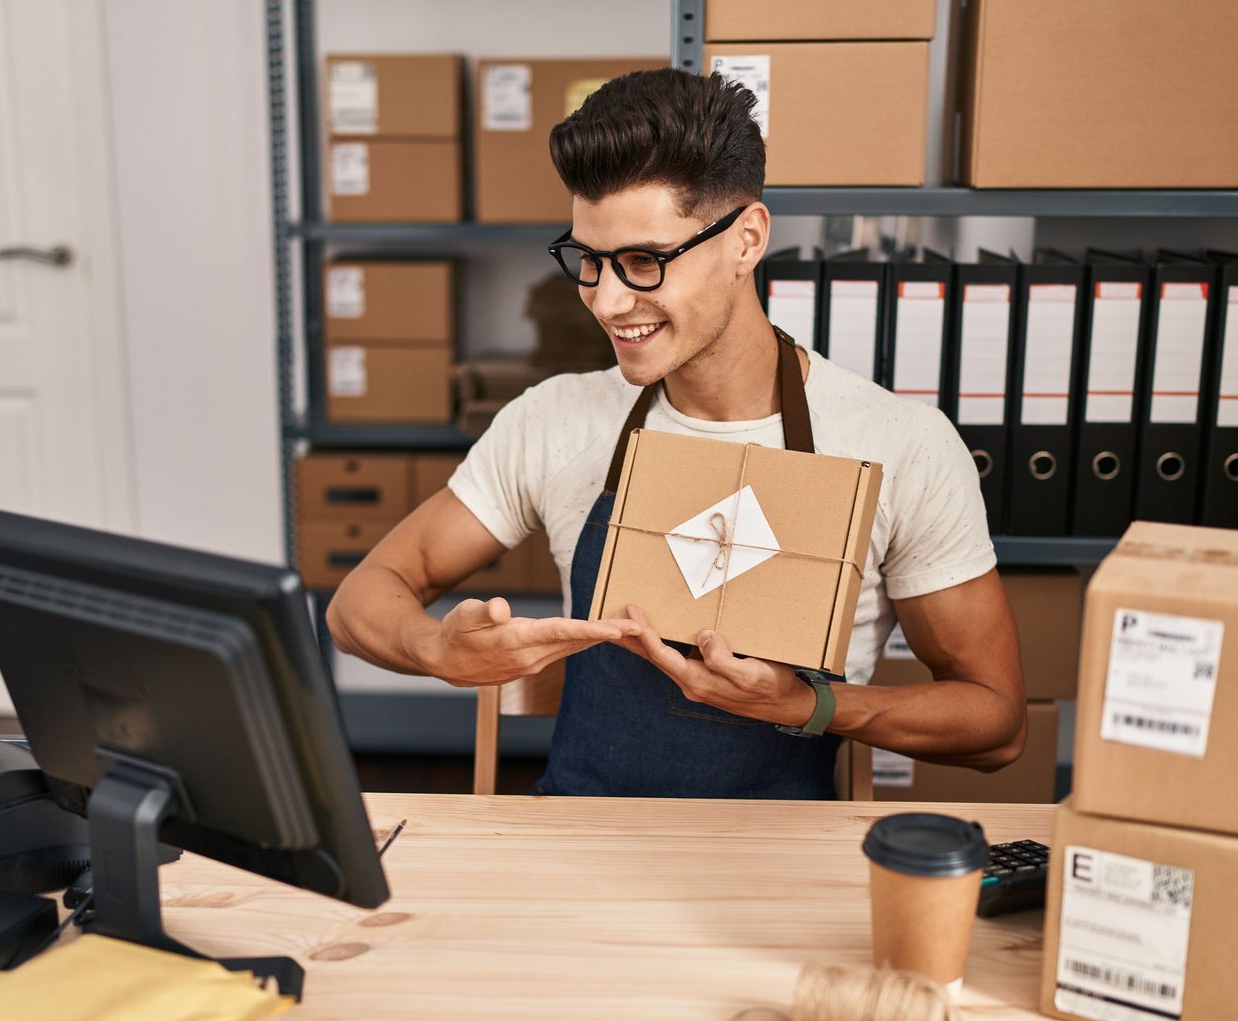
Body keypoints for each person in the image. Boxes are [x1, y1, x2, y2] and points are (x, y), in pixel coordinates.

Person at [326, 68, 1024, 799]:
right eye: (588, 261)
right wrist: (437, 647)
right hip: (580, 843)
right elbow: (358, 602)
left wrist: (808, 705)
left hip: (776, 866)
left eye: (643, 262)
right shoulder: (554, 420)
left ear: (746, 240)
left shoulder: (900, 444)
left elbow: (996, 723)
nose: (607, 300)